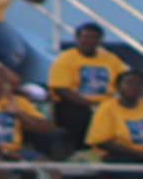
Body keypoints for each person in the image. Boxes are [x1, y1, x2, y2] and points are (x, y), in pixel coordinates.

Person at [47, 21, 125, 150]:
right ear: (77, 39)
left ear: (100, 40)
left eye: (94, 37)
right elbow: (60, 89)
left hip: (105, 104)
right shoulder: (65, 58)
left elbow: (122, 82)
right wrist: (91, 105)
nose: (89, 41)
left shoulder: (111, 59)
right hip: (74, 104)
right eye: (86, 37)